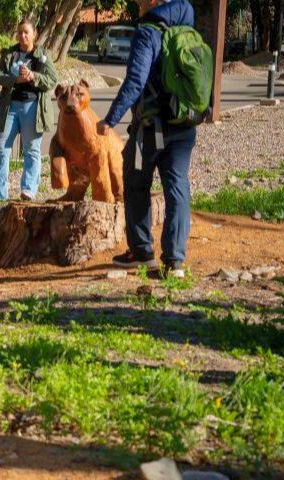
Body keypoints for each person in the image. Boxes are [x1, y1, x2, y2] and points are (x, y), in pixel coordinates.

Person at [99, 0, 198, 278]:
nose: (139, 3)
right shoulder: (186, 28)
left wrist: (110, 119)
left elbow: (135, 82)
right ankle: (175, 261)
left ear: (154, 2)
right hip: (185, 123)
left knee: (135, 181)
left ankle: (142, 251)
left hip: (151, 130)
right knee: (177, 187)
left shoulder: (148, 32)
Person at [0, 19, 58, 202]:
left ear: (35, 33)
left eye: (26, 32)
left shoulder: (43, 55)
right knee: (1, 148)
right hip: (9, 107)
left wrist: (33, 76)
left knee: (31, 150)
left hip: (33, 108)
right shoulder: (10, 53)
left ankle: (28, 190)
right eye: (20, 32)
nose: (22, 36)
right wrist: (15, 80)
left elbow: (52, 80)